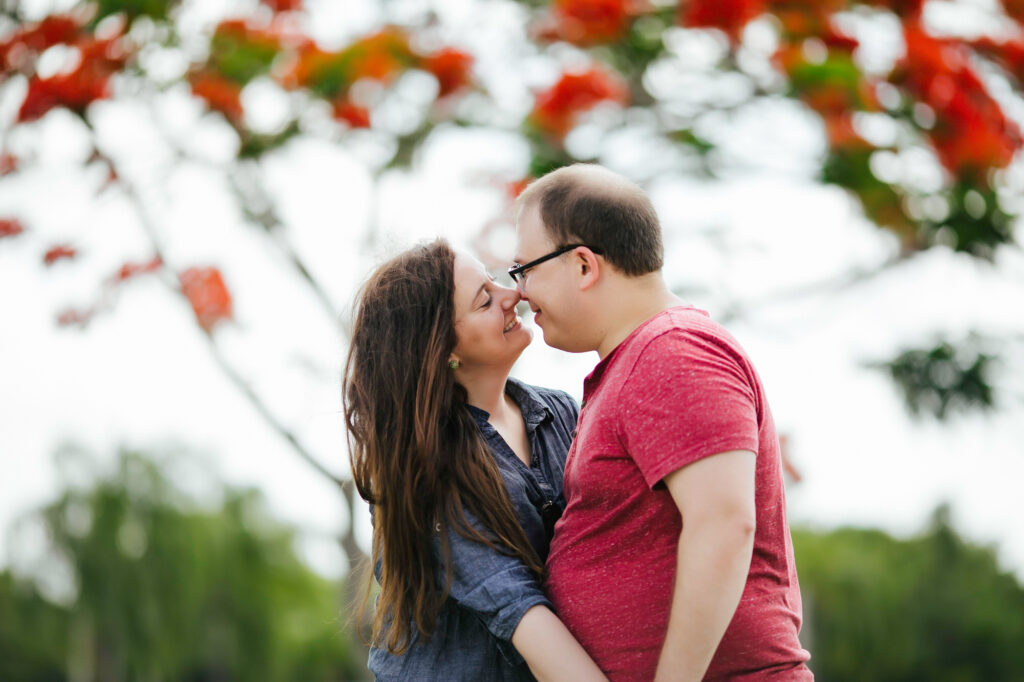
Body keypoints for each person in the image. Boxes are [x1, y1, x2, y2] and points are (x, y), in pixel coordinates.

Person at [510, 164, 813, 681]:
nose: (518, 292)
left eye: (525, 270)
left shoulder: (672, 351)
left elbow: (723, 523)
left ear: (584, 265)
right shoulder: (641, 358)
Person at [343, 239, 607, 682]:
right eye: (485, 299)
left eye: (495, 281)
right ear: (444, 349)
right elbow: (521, 611)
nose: (514, 295)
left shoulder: (562, 413)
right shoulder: (427, 469)